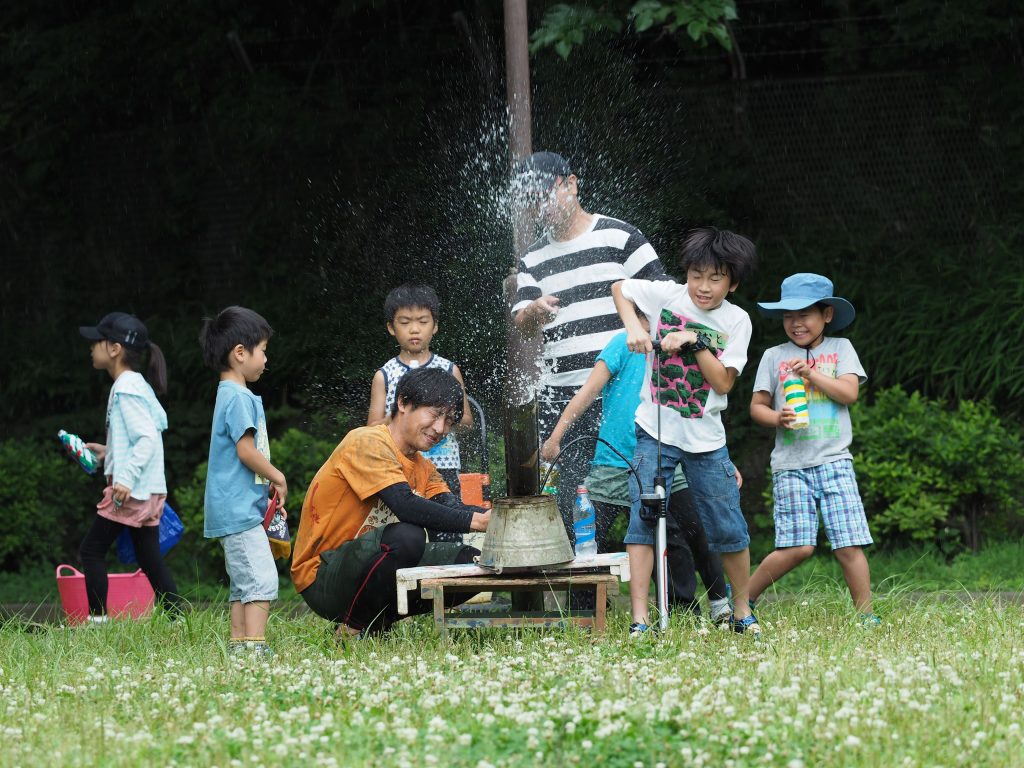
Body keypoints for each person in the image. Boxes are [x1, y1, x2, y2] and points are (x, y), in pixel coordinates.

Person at [510, 151, 669, 538]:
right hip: (564, 399)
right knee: (574, 506)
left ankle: (681, 595)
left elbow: (665, 300)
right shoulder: (532, 258)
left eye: (545, 194)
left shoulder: (621, 236)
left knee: (653, 492)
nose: (540, 206)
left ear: (571, 183)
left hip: (626, 394)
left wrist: (636, 339)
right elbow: (522, 320)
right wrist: (536, 311)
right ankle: (581, 599)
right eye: (530, 199)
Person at [612, 226, 760, 637]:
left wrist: (694, 341)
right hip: (654, 431)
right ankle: (640, 618)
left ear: (733, 283)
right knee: (643, 519)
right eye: (697, 275)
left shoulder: (737, 321)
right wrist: (634, 328)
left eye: (715, 278)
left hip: (707, 442)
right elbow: (620, 287)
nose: (703, 287)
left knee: (727, 525)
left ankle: (741, 611)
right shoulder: (669, 296)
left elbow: (724, 383)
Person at [540, 308, 731, 623]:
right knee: (587, 535)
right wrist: (555, 438)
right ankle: (586, 611)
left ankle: (686, 607)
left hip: (666, 457)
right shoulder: (622, 344)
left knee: (687, 530)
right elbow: (587, 393)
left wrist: (721, 457)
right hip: (614, 461)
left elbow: (704, 405)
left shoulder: (688, 348)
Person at [292, 367, 490, 639]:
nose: (440, 428)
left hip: (370, 567)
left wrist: (498, 516)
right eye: (434, 414)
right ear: (403, 403)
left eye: (449, 420)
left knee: (472, 564)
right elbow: (404, 504)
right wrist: (478, 521)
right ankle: (351, 629)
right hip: (324, 576)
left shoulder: (424, 467)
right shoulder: (367, 441)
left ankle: (375, 622)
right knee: (407, 537)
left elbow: (451, 509)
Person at [748, 273, 878, 625]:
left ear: (827, 316)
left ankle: (866, 616)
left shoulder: (841, 349)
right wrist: (777, 417)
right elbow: (756, 406)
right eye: (788, 316)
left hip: (836, 460)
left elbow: (849, 393)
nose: (796, 323)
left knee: (849, 543)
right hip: (790, 464)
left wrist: (811, 375)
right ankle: (743, 599)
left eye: (804, 314)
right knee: (798, 546)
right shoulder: (774, 356)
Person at [78, 312, 181, 622]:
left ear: (114, 348)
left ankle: (97, 624)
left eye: (96, 342)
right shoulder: (137, 385)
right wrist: (110, 453)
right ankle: (178, 617)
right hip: (146, 489)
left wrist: (124, 477)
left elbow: (147, 438)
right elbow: (146, 434)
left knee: (91, 550)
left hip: (131, 490)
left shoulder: (125, 388)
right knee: (149, 559)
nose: (91, 348)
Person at [199, 306, 287, 656]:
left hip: (234, 505)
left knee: (242, 584)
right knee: (262, 579)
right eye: (263, 350)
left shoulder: (230, 395)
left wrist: (261, 484)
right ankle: (255, 649)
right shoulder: (238, 397)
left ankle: (239, 647)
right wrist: (276, 475)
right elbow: (245, 450)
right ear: (240, 353)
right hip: (237, 510)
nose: (266, 359)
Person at [367, 283, 473, 543]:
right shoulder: (385, 375)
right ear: (391, 327)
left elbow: (467, 420)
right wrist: (404, 417)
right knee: (408, 530)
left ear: (435, 325)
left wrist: (444, 421)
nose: (414, 329)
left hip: (444, 467)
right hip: (399, 471)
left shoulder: (449, 370)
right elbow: (371, 431)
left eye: (423, 321)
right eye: (405, 322)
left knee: (448, 532)